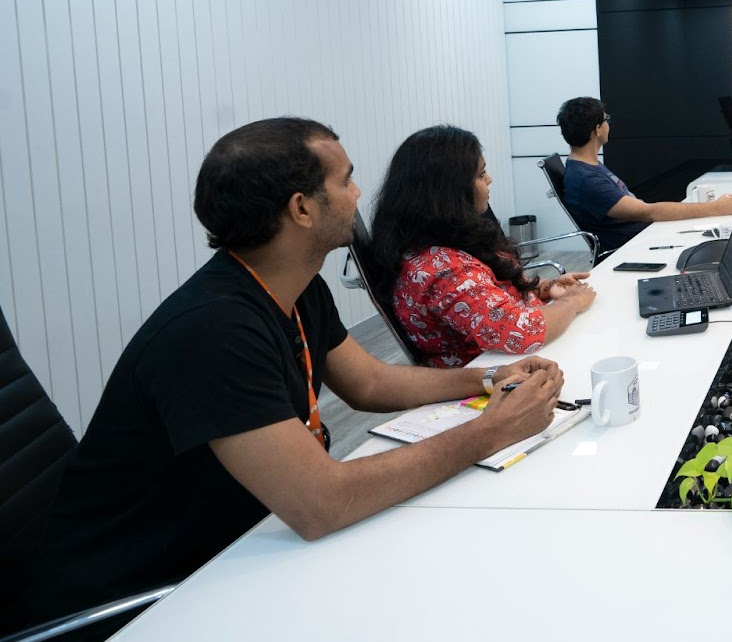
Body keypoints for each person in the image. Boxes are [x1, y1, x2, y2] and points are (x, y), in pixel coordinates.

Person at [21, 119, 566, 637]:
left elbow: (371, 384)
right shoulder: (212, 332)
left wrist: (489, 379)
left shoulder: (295, 286)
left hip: (247, 545)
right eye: (346, 179)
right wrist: (492, 431)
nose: (358, 194)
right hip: (150, 598)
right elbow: (321, 503)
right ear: (302, 208)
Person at [369, 125, 597, 368]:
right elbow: (522, 332)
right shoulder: (444, 272)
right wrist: (571, 301)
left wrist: (545, 287)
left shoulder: (447, 237)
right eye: (480, 174)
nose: (489, 179)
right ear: (449, 191)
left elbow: (489, 293)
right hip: (492, 377)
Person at [558, 96, 732, 254]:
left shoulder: (588, 166)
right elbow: (648, 212)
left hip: (646, 237)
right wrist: (715, 208)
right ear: (598, 129)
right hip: (636, 248)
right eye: (606, 119)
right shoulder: (586, 179)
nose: (609, 124)